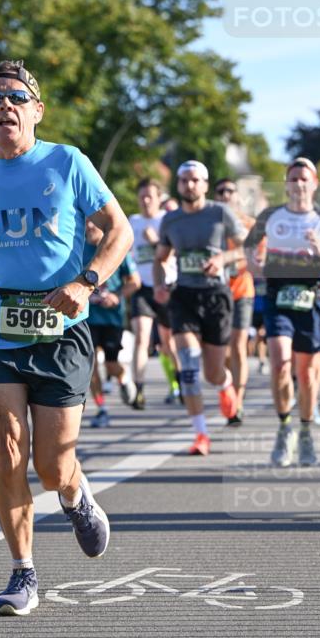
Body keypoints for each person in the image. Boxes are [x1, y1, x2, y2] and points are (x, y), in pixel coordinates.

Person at [0, 59, 133, 616]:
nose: (5, 106)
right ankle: (23, 572)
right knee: (8, 448)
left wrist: (86, 282)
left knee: (52, 466)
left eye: (16, 97)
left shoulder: (68, 162)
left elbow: (120, 230)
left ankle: (74, 493)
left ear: (37, 111)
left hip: (60, 329)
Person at [244, 157, 320, 467]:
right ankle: (284, 426)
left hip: (310, 299)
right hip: (278, 297)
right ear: (287, 185)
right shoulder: (271, 216)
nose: (299, 183)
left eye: (304, 178)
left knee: (307, 374)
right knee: (279, 363)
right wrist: (253, 264)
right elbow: (249, 244)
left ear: (314, 184)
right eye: (294, 178)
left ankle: (305, 431)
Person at [153, 160, 245, 457]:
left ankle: (225, 384)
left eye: (195, 180)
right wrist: (159, 285)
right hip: (184, 296)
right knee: (189, 369)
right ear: (178, 185)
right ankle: (201, 434)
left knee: (213, 373)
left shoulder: (220, 213)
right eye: (184, 180)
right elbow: (160, 258)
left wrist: (222, 259)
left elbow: (245, 247)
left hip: (216, 296)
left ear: (205, 184)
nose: (189, 185)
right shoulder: (170, 220)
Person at [128, 178, 180, 409]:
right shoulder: (133, 222)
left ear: (160, 198)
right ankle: (138, 391)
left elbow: (176, 251)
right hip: (142, 288)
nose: (146, 201)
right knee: (141, 338)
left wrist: (156, 242)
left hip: (167, 286)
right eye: (142, 197)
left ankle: (179, 383)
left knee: (169, 342)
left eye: (150, 196)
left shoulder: (167, 220)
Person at [85, 218, 140, 427]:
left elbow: (135, 282)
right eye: (87, 222)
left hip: (112, 318)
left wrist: (116, 296)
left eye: (94, 222)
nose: (90, 226)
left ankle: (124, 378)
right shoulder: (76, 249)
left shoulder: (117, 248)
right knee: (89, 365)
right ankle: (101, 409)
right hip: (86, 317)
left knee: (111, 364)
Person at [213, 177, 255, 425]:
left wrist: (232, 261)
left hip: (242, 292)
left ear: (237, 196)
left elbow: (255, 257)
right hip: (217, 292)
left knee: (239, 345)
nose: (226, 195)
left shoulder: (248, 224)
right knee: (224, 350)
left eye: (230, 191)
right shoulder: (210, 224)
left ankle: (237, 402)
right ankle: (229, 388)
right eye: (221, 191)